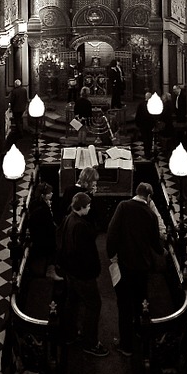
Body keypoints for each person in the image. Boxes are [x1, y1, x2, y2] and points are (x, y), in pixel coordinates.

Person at [106, 181, 164, 356]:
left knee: (124, 305)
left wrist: (111, 254)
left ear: (136, 193)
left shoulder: (123, 206)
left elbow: (112, 231)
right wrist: (162, 249)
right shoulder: (150, 215)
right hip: (142, 266)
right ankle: (141, 332)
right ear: (148, 197)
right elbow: (156, 244)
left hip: (125, 264)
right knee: (141, 301)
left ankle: (126, 345)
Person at [56, 191, 108, 358]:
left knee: (72, 302)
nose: (90, 208)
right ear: (82, 207)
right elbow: (86, 254)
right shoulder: (81, 226)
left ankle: (70, 334)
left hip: (70, 271)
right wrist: (94, 271)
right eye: (89, 206)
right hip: (82, 275)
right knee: (94, 305)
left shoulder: (68, 218)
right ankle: (90, 343)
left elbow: (62, 244)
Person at [26, 182, 57, 276]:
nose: (52, 194)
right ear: (43, 195)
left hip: (39, 234)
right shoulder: (42, 209)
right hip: (42, 237)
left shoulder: (36, 204)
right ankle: (50, 270)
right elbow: (47, 225)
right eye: (49, 193)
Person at [135, 93, 155, 158]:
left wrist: (137, 124)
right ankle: (149, 152)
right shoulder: (153, 105)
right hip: (150, 125)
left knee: (145, 139)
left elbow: (138, 115)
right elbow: (155, 115)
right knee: (150, 139)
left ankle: (146, 153)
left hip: (142, 125)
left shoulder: (141, 104)